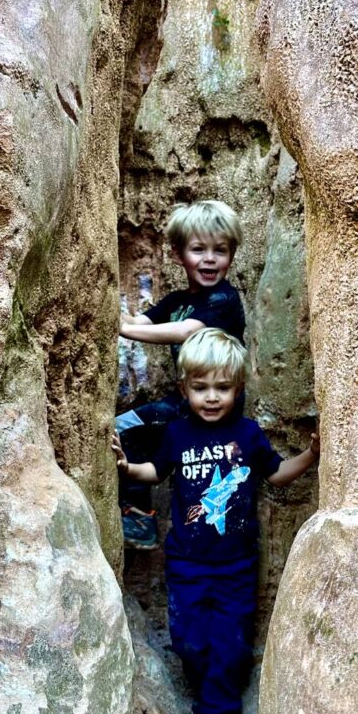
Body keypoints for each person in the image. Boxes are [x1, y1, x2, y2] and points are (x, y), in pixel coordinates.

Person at [112, 328, 320, 714]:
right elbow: (155, 471)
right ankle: (206, 689)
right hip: (186, 565)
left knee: (230, 647)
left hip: (236, 567)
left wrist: (311, 454)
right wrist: (127, 466)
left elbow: (277, 473)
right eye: (201, 388)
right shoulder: (176, 434)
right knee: (190, 642)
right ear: (184, 388)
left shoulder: (247, 434)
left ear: (238, 388)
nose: (211, 398)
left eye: (222, 388)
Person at [117, 200, 245, 550]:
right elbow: (143, 321)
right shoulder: (175, 301)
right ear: (178, 255)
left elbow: (187, 331)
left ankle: (141, 518)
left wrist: (125, 331)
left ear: (231, 255)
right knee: (128, 431)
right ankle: (140, 513)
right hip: (187, 401)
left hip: (217, 402)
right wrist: (123, 323)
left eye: (220, 250)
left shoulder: (223, 298)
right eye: (198, 249)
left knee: (126, 427)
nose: (209, 259)